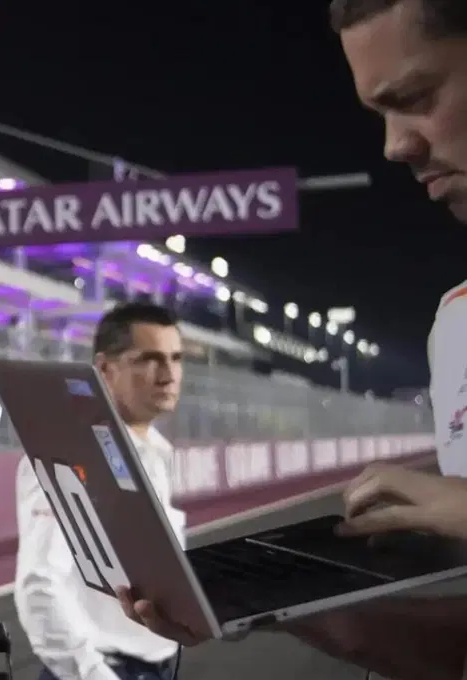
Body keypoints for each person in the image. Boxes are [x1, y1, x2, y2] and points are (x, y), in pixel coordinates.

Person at [118, 2, 467, 678]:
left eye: (416, 97)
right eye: (380, 115)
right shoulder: (456, 325)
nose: (395, 145)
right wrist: (290, 609)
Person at [15, 303, 185, 680]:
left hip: (157, 665)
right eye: (149, 359)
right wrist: (92, 674)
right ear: (104, 369)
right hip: (102, 669)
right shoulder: (69, 451)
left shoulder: (156, 453)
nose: (169, 374)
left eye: (176, 358)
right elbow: (40, 584)